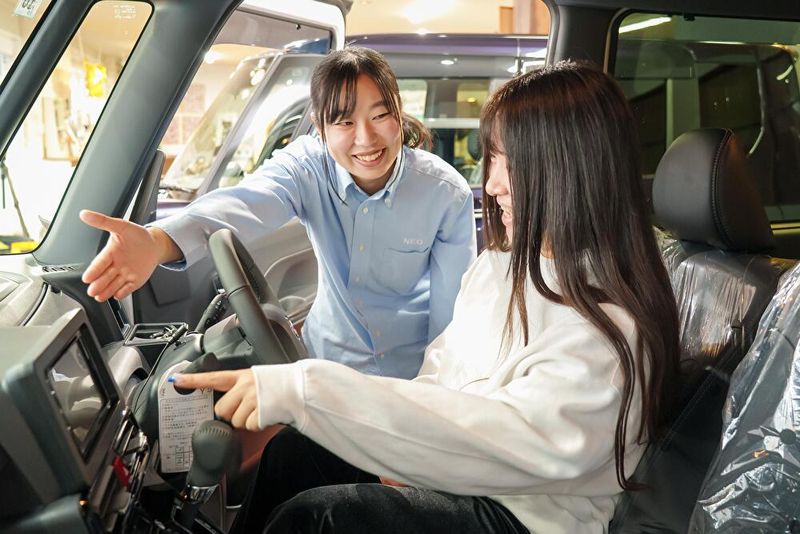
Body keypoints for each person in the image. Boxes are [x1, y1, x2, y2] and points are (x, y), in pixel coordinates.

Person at [172, 61, 681, 533]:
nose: (492, 185)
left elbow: (505, 444)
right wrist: (403, 451)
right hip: (463, 466)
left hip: (528, 512)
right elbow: (444, 367)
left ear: (571, 169)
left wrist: (311, 391)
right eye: (491, 158)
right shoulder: (503, 268)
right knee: (293, 451)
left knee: (318, 519)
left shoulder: (604, 327)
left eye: (510, 162)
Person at [80, 46, 477, 380]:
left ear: (398, 112)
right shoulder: (308, 167)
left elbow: (451, 320)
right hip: (326, 369)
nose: (366, 138)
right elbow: (243, 202)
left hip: (408, 376)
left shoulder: (445, 193)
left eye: (380, 116)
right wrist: (156, 241)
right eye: (344, 122)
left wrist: (429, 399)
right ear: (320, 128)